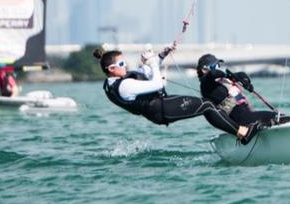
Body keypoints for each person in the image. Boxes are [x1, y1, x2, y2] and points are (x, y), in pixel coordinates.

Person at [96, 46, 260, 144]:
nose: (125, 67)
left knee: (208, 106)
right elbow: (158, 83)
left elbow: (144, 72)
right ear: (111, 69)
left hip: (161, 106)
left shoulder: (117, 83)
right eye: (122, 64)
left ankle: (239, 130)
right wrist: (153, 62)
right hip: (160, 109)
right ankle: (242, 133)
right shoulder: (124, 86)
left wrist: (161, 56)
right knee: (207, 105)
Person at [196, 54, 290, 128]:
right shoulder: (206, 85)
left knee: (280, 116)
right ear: (204, 70)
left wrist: (245, 81)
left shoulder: (221, 82)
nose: (218, 67)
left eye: (219, 65)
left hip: (247, 115)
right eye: (215, 65)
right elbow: (213, 74)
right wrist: (227, 75)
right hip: (239, 119)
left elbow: (241, 75)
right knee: (278, 118)